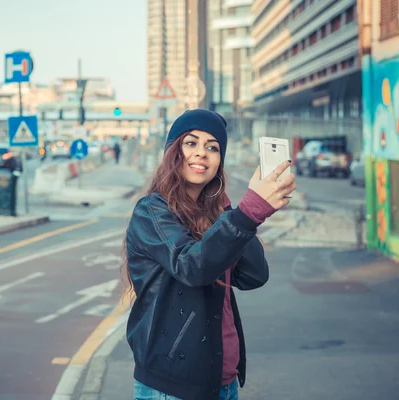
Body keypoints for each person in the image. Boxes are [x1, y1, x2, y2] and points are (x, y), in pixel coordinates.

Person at [123, 109, 296, 400]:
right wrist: (248, 213)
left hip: (223, 383)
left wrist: (232, 212)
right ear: (172, 152)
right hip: (171, 388)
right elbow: (191, 266)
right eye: (191, 143)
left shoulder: (217, 217)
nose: (201, 153)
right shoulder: (151, 210)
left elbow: (253, 275)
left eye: (212, 147)